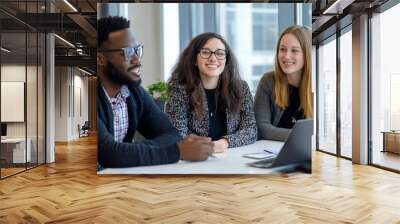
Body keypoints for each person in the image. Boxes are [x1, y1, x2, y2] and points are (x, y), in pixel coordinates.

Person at [97, 16, 214, 168]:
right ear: (100, 59)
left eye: (137, 51)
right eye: (127, 52)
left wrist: (128, 153)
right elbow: (109, 154)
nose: (137, 60)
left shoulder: (134, 93)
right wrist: (177, 152)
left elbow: (171, 135)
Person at [165, 32, 257, 153]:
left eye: (219, 53)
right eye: (205, 52)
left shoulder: (240, 87)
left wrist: (224, 143)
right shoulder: (179, 89)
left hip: (232, 158)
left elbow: (251, 130)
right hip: (193, 160)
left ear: (226, 60)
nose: (213, 58)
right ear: (194, 59)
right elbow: (177, 134)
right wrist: (208, 147)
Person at [254, 25, 313, 141]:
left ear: (307, 54)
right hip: (272, 154)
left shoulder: (318, 84)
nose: (286, 56)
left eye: (294, 50)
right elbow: (261, 129)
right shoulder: (268, 81)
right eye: (282, 49)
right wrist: (303, 137)